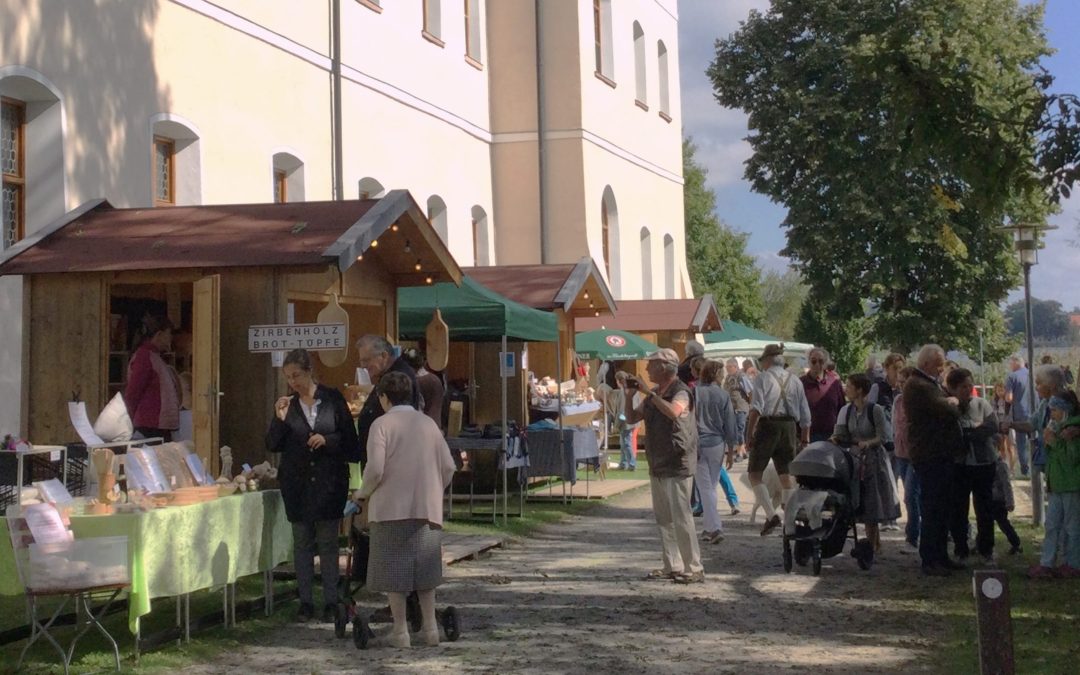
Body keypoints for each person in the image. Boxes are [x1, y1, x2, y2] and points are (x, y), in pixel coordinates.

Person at [358, 371, 457, 646]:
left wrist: (362, 493)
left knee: (394, 572)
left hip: (391, 508)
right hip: (427, 508)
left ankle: (400, 631)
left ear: (384, 397)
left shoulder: (381, 424)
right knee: (425, 573)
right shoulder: (428, 424)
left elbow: (376, 469)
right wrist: (435, 489)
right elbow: (448, 467)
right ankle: (430, 628)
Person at [265, 348, 359, 622]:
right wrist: (279, 419)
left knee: (329, 543)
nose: (293, 382)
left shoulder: (331, 399)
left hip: (329, 483)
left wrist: (327, 441)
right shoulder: (287, 406)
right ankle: (305, 601)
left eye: (296, 375)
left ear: (309, 371)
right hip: (298, 485)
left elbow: (351, 444)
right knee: (302, 543)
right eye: (288, 377)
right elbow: (272, 444)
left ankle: (331, 600)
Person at [625, 348, 703, 584]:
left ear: (665, 367)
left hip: (677, 461)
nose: (646, 368)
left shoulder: (682, 392)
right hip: (657, 461)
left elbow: (673, 413)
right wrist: (629, 396)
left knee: (682, 517)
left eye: (651, 364)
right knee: (664, 518)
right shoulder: (654, 393)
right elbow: (631, 418)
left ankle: (694, 567)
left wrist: (649, 393)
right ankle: (672, 565)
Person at [903, 344, 965, 577]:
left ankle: (941, 555)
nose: (942, 367)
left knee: (942, 508)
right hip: (930, 454)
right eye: (939, 362)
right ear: (927, 362)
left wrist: (951, 402)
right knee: (932, 508)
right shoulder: (918, 385)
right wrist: (953, 402)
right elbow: (946, 409)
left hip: (939, 453)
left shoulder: (930, 383)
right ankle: (930, 558)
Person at [744, 343, 812, 537]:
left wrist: (749, 434)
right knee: (786, 476)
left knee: (755, 474)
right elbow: (805, 415)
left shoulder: (762, 378)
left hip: (768, 425)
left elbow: (756, 408)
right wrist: (805, 440)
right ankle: (790, 524)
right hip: (790, 427)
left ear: (767, 360)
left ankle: (771, 514)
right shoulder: (796, 380)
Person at [830, 373, 898, 552]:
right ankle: (869, 543)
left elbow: (883, 436)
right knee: (857, 499)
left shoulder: (874, 410)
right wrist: (837, 438)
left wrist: (868, 443)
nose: (847, 389)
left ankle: (873, 542)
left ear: (859, 390)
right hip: (854, 459)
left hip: (873, 460)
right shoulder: (847, 410)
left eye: (850, 386)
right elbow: (843, 432)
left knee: (872, 501)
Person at [945, 368, 999, 564]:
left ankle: (986, 548)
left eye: (970, 385)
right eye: (963, 387)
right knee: (958, 508)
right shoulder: (950, 408)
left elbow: (992, 426)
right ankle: (961, 549)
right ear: (952, 389)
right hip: (960, 464)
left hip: (984, 463)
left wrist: (970, 432)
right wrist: (972, 430)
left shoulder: (982, 404)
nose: (968, 390)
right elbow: (951, 434)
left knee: (984, 508)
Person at [1027, 392, 1080, 579]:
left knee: (1072, 526)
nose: (1052, 413)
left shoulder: (1073, 429)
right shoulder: (1056, 427)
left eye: (1055, 410)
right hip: (1056, 483)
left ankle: (1073, 563)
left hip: (1071, 484)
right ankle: (1047, 562)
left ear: (1065, 410)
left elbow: (1072, 459)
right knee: (1052, 524)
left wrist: (1056, 443)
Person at [354, 335, 420, 465]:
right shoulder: (388, 375)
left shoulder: (398, 377)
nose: (363, 366)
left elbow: (400, 422)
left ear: (384, 356)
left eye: (367, 360)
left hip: (389, 464)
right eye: (361, 361)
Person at [693, 360, 739, 544]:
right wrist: (731, 449)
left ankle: (714, 527)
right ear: (717, 375)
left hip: (697, 442)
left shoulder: (695, 392)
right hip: (717, 443)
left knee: (705, 487)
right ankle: (709, 527)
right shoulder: (723, 394)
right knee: (709, 486)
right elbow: (730, 423)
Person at [124, 315, 182, 442]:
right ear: (160, 334)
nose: (171, 338)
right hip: (150, 426)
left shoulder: (155, 357)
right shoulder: (144, 357)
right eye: (169, 334)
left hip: (159, 426)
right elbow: (133, 393)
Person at [870, 353, 906, 531]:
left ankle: (894, 518)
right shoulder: (878, 387)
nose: (897, 373)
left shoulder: (903, 389)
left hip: (900, 442)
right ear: (886, 369)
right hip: (884, 441)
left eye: (900, 369)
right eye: (894, 369)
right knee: (886, 480)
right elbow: (870, 409)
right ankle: (886, 519)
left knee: (898, 479)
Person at [892, 366, 920, 549]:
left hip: (915, 454)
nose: (901, 386)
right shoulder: (898, 401)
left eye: (904, 382)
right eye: (899, 382)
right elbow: (895, 425)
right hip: (900, 453)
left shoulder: (919, 402)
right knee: (912, 495)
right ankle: (915, 533)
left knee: (910, 495)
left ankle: (912, 535)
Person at [800, 347, 845, 444]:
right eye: (813, 361)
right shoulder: (800, 383)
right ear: (808, 362)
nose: (817, 364)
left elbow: (842, 408)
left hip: (831, 436)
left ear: (825, 364)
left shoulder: (834, 383)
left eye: (821, 361)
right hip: (807, 436)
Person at [1005, 355, 1033, 477]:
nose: (1010, 366)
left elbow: (1009, 398)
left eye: (1010, 364)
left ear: (1016, 363)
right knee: (1035, 439)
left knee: (1021, 443)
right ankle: (1037, 467)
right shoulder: (1032, 374)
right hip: (1034, 411)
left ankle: (1024, 469)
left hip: (1020, 413)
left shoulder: (1012, 377)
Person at [991, 450, 1022, 556]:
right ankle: (981, 544)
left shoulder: (1001, 465)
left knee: (1003, 523)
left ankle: (1016, 543)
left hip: (999, 500)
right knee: (986, 521)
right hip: (990, 498)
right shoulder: (989, 463)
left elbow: (1006, 484)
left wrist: (1009, 501)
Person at [404, 349, 445, 430]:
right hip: (435, 426)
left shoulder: (415, 382)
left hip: (421, 428)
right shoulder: (435, 379)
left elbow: (418, 407)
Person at [609, 371, 641, 470]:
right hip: (634, 420)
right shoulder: (633, 390)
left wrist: (617, 425)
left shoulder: (624, 392)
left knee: (626, 442)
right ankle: (623, 463)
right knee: (623, 442)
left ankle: (631, 463)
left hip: (626, 421)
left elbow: (622, 410)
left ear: (620, 381)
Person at [722, 358, 753, 462]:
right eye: (726, 367)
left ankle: (740, 452)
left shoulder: (741, 377)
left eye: (728, 367)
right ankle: (743, 452)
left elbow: (750, 392)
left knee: (740, 429)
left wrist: (751, 406)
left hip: (741, 407)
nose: (727, 368)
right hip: (731, 408)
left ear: (734, 366)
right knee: (735, 430)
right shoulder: (728, 378)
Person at [991, 382, 1017, 475]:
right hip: (999, 423)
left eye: (1001, 390)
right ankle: (1004, 466)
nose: (1000, 392)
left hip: (1009, 423)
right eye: (998, 390)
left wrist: (1008, 423)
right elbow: (993, 412)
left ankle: (1012, 469)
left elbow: (1011, 412)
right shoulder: (994, 400)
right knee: (1002, 447)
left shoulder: (1009, 400)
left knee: (1010, 447)